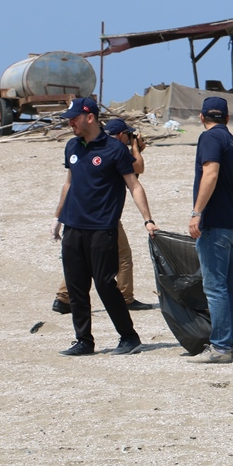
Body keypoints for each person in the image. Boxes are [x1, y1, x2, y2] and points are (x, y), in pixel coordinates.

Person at [51, 98, 159, 357]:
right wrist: (57, 218)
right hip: (73, 227)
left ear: (90, 117)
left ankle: (129, 337)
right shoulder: (72, 146)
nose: (70, 122)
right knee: (76, 287)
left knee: (104, 284)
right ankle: (83, 341)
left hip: (102, 228)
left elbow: (134, 185)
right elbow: (69, 184)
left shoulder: (115, 149)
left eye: (74, 117)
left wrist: (148, 219)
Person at [52, 118, 150, 314]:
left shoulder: (93, 147)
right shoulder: (115, 149)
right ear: (122, 135)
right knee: (122, 257)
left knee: (80, 260)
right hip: (104, 216)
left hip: (85, 215)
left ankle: (64, 296)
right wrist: (136, 148)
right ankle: (125, 297)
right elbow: (138, 168)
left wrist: (58, 217)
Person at [188, 96, 233, 364]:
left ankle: (221, 347)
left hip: (217, 223)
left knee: (215, 287)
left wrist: (197, 212)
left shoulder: (210, 139)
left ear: (202, 117)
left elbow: (210, 174)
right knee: (231, 284)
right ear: (227, 117)